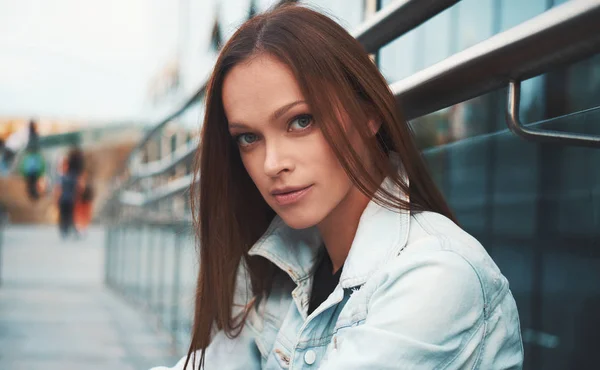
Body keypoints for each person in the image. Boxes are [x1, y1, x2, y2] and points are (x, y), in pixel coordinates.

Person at [152, 4, 523, 370]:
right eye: (249, 137)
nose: (271, 164)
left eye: (301, 121)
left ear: (368, 115)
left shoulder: (435, 276)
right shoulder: (294, 268)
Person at [55, 147, 85, 239]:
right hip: (68, 199)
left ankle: (66, 231)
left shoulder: (64, 177)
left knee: (66, 216)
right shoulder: (70, 176)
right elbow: (78, 188)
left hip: (66, 199)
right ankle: (67, 231)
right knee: (67, 216)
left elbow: (59, 189)